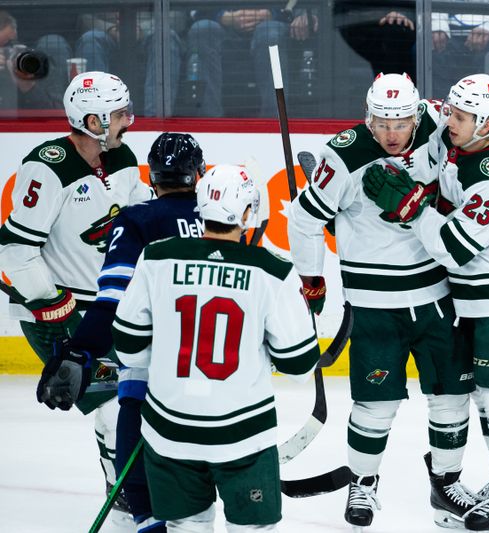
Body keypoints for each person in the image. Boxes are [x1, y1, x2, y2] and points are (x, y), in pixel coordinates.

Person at [287, 72, 479, 530]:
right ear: (367, 116)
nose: (392, 133)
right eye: (381, 122)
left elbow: (483, 115)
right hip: (375, 306)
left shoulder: (437, 120)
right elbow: (303, 220)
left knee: (452, 397)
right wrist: (313, 280)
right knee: (376, 405)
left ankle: (446, 484)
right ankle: (364, 484)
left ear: (417, 114)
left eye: (400, 122)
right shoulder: (344, 154)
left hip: (436, 295)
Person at [363, 73, 489, 531]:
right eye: (450, 112)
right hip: (473, 294)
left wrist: (413, 209)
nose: (450, 122)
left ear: (487, 123)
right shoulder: (454, 142)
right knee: (484, 395)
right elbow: (419, 136)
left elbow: (455, 247)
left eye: (461, 117)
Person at [112, 164, 320, 532]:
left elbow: (128, 347)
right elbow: (299, 366)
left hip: (170, 432)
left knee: (185, 527)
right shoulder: (272, 271)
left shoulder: (157, 257)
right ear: (246, 213)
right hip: (242, 437)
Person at [0, 70, 151, 524]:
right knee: (109, 413)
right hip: (60, 314)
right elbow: (15, 250)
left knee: (134, 406)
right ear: (93, 119)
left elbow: (140, 216)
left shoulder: (121, 155)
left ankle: (132, 486)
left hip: (107, 309)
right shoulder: (45, 167)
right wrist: (49, 302)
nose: (129, 119)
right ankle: (123, 494)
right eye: (120, 113)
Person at [39, 132, 206, 533]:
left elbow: (112, 297)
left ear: (153, 175)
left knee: (136, 469)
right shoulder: (222, 218)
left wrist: (81, 350)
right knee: (198, 492)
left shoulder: (136, 219)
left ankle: (147, 516)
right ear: (199, 174)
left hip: (149, 367)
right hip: (214, 372)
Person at [185, 2, 318, 117]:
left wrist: (275, 14)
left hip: (273, 25)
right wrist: (222, 16)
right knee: (202, 29)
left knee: (269, 33)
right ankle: (210, 120)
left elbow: (299, 7)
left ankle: (274, 121)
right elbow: (194, 9)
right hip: (222, 26)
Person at [76, 10, 187, 116]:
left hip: (149, 34)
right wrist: (110, 29)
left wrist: (140, 29)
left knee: (165, 37)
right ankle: (98, 118)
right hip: (106, 35)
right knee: (90, 39)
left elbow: (178, 15)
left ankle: (155, 121)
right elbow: (83, 17)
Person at [0, 9, 72, 110]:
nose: (4, 52)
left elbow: (55, 113)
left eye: (8, 44)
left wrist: (28, 87)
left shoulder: (31, 65)